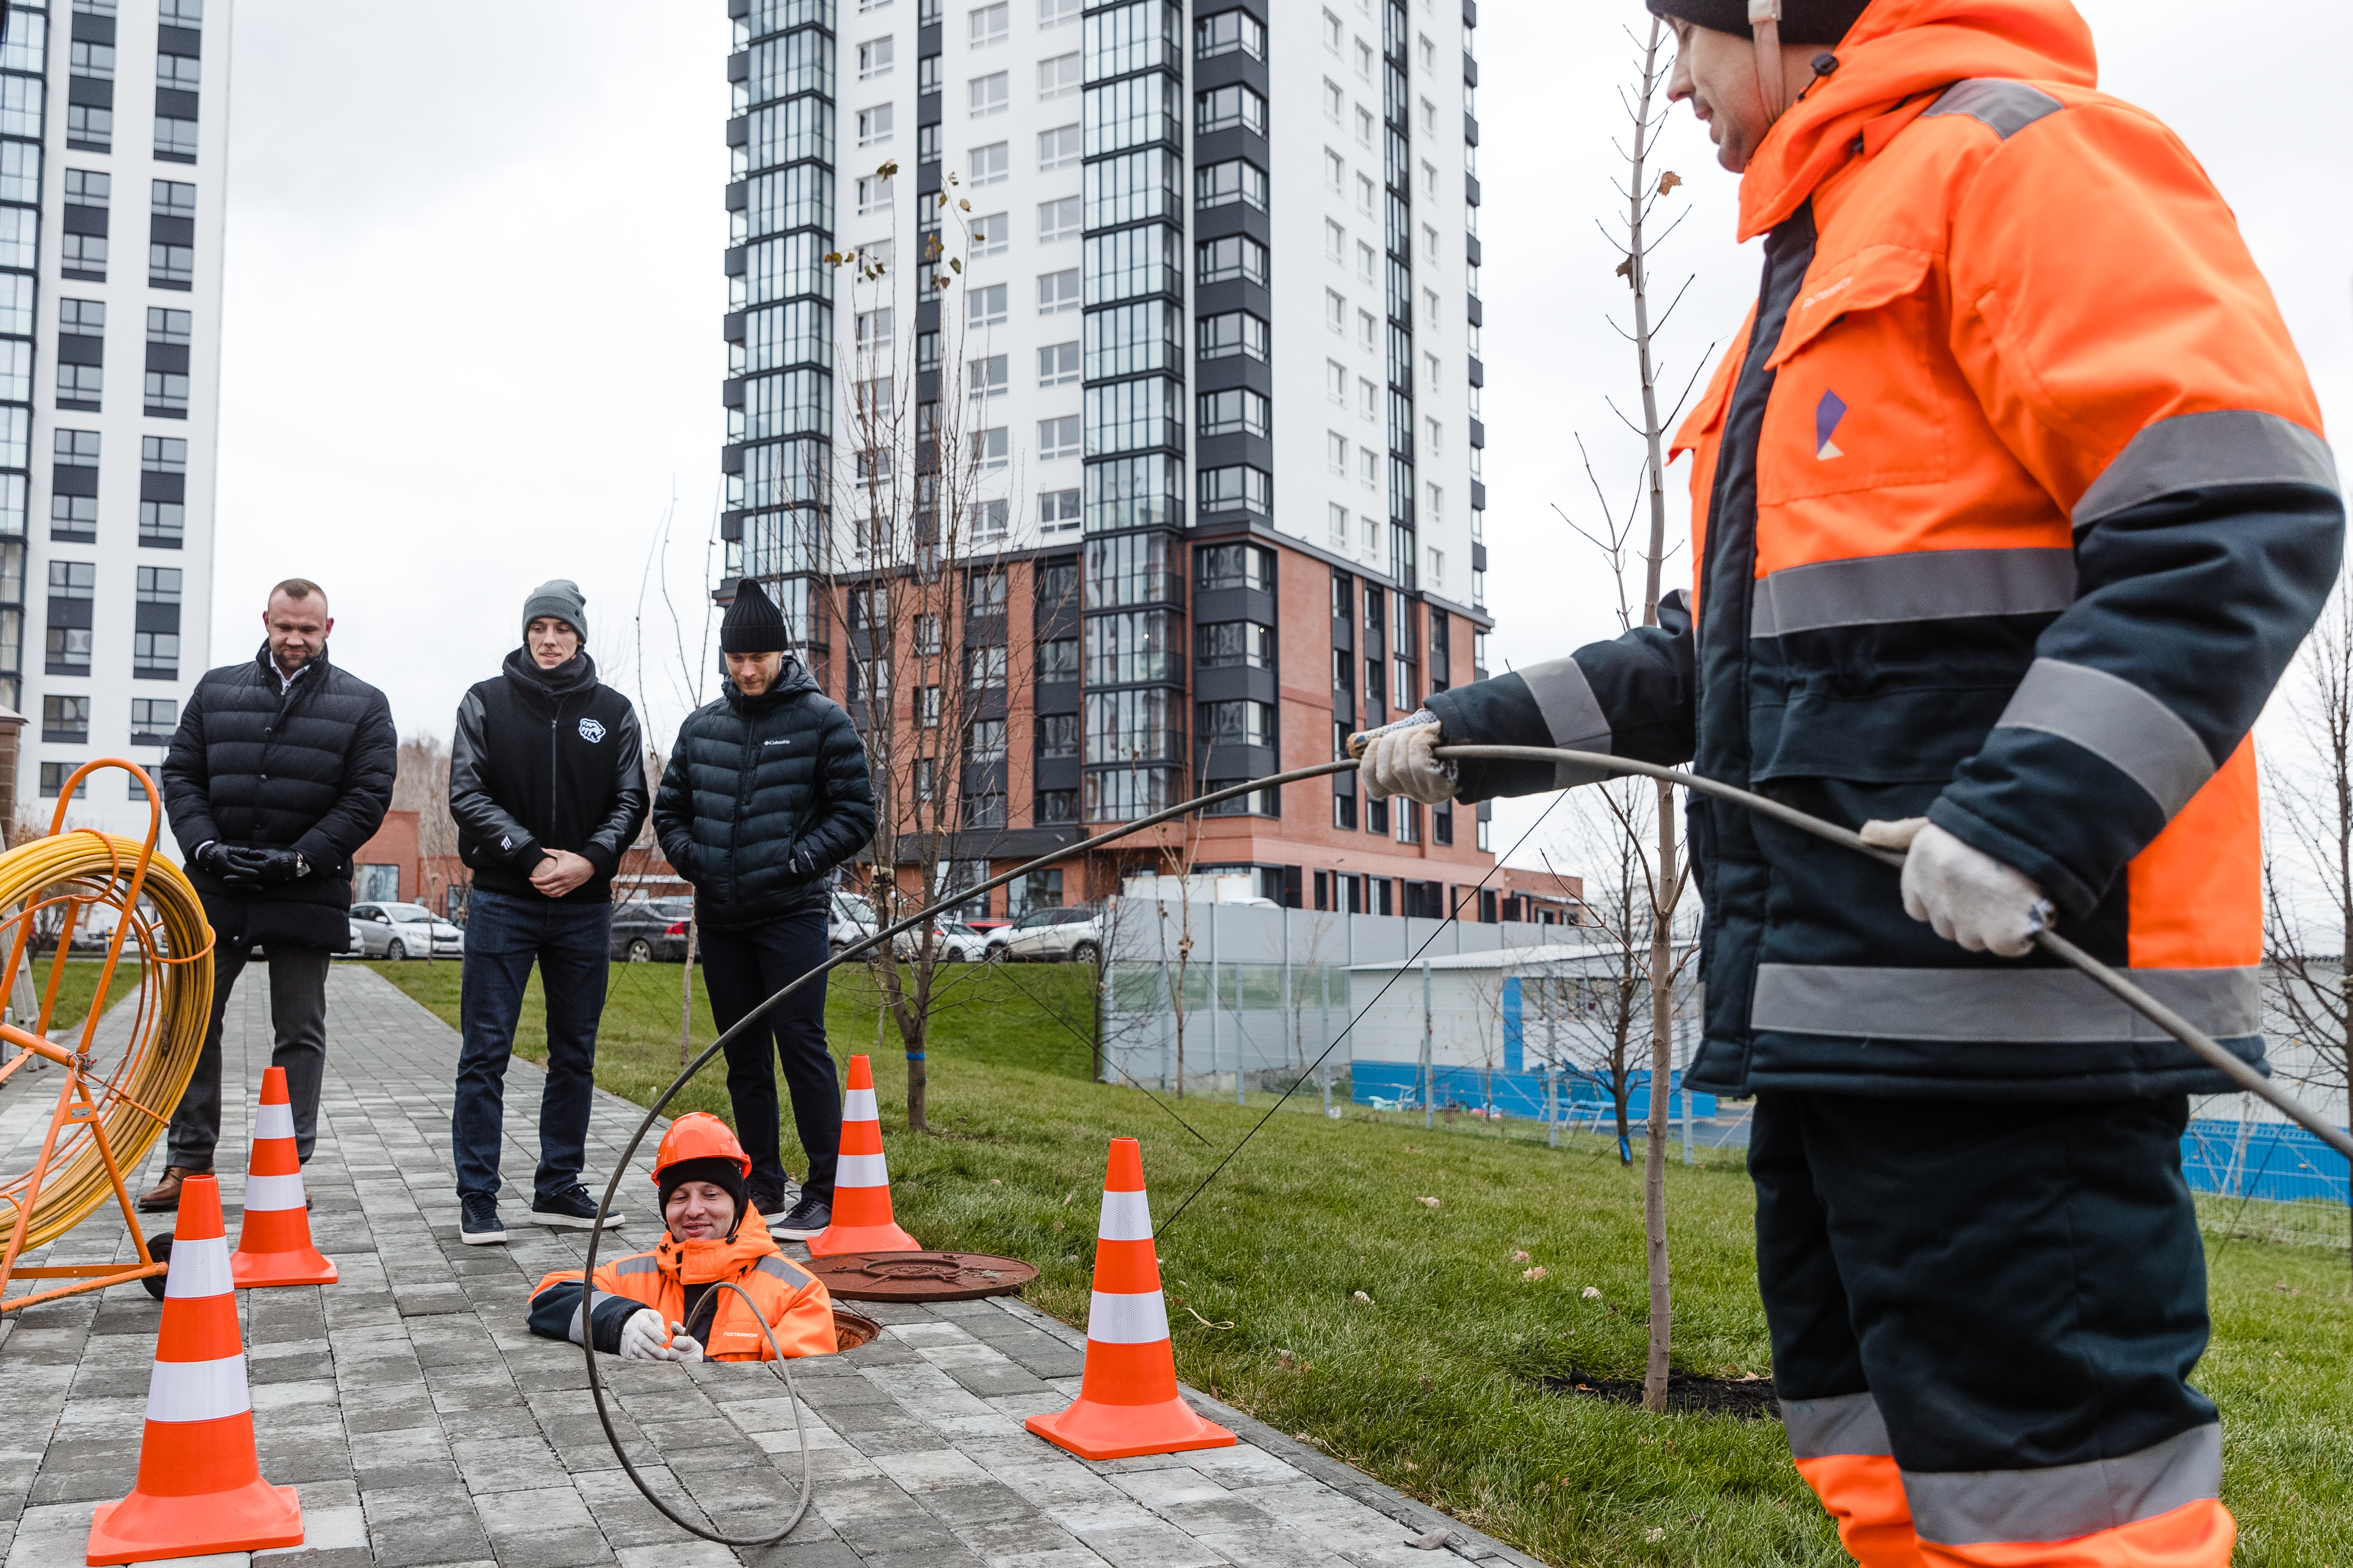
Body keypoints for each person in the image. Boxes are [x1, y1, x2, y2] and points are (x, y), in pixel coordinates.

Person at [1358, 3, 2343, 1564]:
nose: (1671, 81)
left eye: (1679, 34)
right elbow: (1720, 654)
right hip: (1839, 1027)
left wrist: (2028, 814)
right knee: (1883, 1476)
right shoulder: (1809, 269)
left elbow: (2233, 510)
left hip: (2003, 1045)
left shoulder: (2019, 160)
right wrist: (1471, 731)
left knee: (2054, 1518)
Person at [142, 579, 397, 1211]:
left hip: (306, 888)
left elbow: (366, 797)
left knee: (300, 1029)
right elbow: (181, 774)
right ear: (266, 620)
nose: (295, 639)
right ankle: (187, 1162)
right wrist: (204, 847)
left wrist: (300, 857)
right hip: (215, 883)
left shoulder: (364, 704)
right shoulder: (215, 688)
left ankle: (283, 1167)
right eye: (285, 626)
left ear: (328, 629)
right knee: (192, 1020)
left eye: (308, 629)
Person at [652, 579, 875, 1241]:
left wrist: (798, 860)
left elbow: (856, 814)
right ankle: (764, 1183)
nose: (747, 670)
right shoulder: (702, 727)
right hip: (722, 918)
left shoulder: (821, 720)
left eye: (758, 658)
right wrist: (698, 860)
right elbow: (669, 812)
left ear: (782, 652)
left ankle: (825, 1189)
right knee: (742, 1056)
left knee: (802, 1045)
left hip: (791, 915)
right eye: (736, 659)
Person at [446, 581, 649, 1244]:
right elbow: (466, 791)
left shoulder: (613, 712)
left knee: (575, 1054)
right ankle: (478, 1196)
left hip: (584, 909)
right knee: (485, 1053)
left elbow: (630, 799)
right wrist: (530, 854)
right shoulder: (485, 702)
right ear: (526, 632)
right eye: (539, 627)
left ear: (580, 636)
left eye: (562, 628)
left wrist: (589, 859)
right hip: (504, 900)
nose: (549, 638)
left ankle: (558, 1186)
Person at [526, 1112, 836, 1361]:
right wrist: (620, 1323)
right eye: (679, 1197)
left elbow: (804, 1390)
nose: (694, 1210)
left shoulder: (798, 1292)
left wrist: (708, 1370)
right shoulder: (634, 1276)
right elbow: (545, 1299)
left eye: (711, 1194)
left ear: (738, 1202)